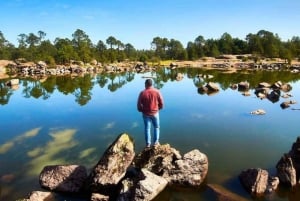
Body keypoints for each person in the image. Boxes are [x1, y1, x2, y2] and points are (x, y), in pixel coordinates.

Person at [137, 79, 164, 148]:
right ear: (152, 84)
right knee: (157, 127)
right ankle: (155, 142)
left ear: (146, 84)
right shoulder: (157, 92)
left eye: (144, 84)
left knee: (147, 128)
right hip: (155, 113)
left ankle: (148, 144)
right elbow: (161, 103)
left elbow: (139, 105)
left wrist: (141, 110)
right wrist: (159, 108)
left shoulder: (142, 93)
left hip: (146, 114)